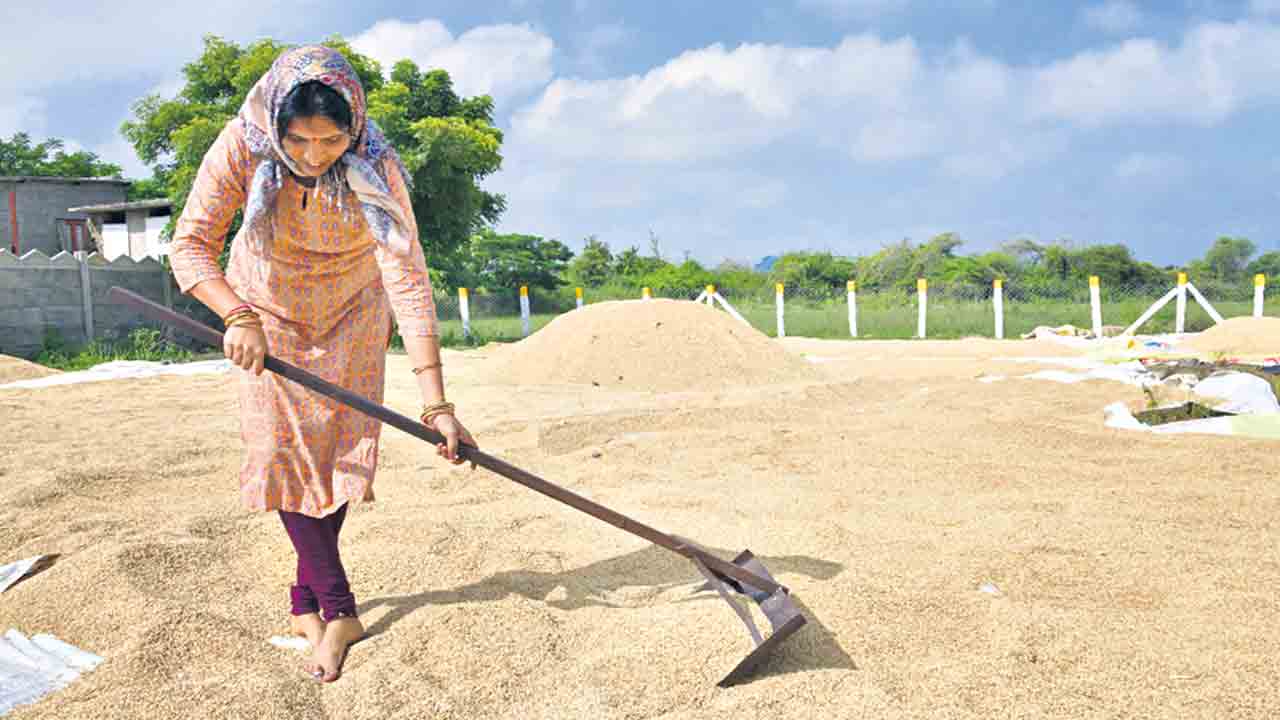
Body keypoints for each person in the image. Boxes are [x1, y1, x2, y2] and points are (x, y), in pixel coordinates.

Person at [167, 45, 477, 683]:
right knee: (283, 453)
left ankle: (303, 603)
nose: (314, 155)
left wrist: (437, 405)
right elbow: (190, 245)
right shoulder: (243, 145)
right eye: (300, 140)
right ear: (277, 124)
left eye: (331, 140)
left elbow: (407, 278)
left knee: (333, 457)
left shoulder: (375, 163)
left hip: (352, 317)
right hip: (265, 315)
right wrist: (236, 314)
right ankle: (341, 609)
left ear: (353, 126)